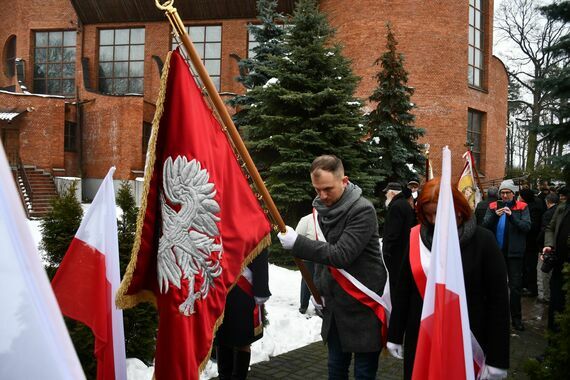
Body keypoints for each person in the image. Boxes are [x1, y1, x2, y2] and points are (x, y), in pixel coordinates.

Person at [386, 177, 510, 380]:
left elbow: (498, 303)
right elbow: (403, 290)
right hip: (422, 337)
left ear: (459, 209)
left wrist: (498, 359)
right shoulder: (416, 239)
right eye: (429, 214)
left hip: (468, 339)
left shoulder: (484, 242)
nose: (434, 220)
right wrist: (395, 334)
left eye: (440, 213)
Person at [277, 155, 387, 380]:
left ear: (344, 181)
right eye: (317, 190)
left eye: (328, 188)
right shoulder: (321, 209)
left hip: (362, 304)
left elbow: (341, 255)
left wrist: (298, 243)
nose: (322, 196)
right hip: (335, 306)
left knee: (364, 373)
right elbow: (322, 261)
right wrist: (320, 290)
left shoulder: (362, 210)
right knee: (335, 369)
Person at [482, 179, 531, 331]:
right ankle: (497, 317)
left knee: (515, 288)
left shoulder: (522, 207)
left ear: (513, 193)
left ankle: (516, 319)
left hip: (514, 254)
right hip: (497, 253)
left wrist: (512, 217)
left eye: (507, 193)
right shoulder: (493, 206)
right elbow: (484, 226)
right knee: (496, 286)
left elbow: (526, 227)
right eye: (502, 193)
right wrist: (495, 216)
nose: (504, 195)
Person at [215, 250, 270, 380]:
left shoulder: (255, 228)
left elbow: (260, 251)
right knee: (221, 335)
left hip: (244, 290)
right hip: (220, 285)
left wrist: (261, 289)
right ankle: (224, 376)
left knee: (243, 339)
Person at [542, 186, 570, 332]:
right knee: (555, 305)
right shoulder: (562, 209)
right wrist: (549, 245)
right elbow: (550, 228)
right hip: (559, 265)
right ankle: (551, 347)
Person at [382, 182, 415, 295]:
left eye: (386, 193)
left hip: (396, 255)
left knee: (396, 287)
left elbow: (393, 233)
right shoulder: (404, 204)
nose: (386, 196)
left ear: (391, 193)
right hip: (404, 252)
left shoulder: (396, 206)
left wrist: (387, 251)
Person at [519, 188, 545, 297]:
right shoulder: (536, 203)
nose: (519, 198)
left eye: (521, 196)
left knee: (530, 266)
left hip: (532, 241)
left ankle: (532, 289)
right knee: (526, 265)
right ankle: (525, 286)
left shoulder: (533, 208)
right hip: (529, 241)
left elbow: (533, 226)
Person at [536, 192, 559, 303]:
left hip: (547, 247)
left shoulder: (548, 213)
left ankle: (546, 296)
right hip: (557, 245)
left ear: (547, 202)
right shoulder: (560, 211)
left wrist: (539, 242)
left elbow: (545, 229)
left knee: (544, 273)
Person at [296, 212, 318, 314]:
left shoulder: (329, 218)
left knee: (321, 282)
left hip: (324, 257)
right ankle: (303, 306)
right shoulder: (306, 219)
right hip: (308, 258)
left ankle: (319, 306)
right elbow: (297, 237)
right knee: (307, 281)